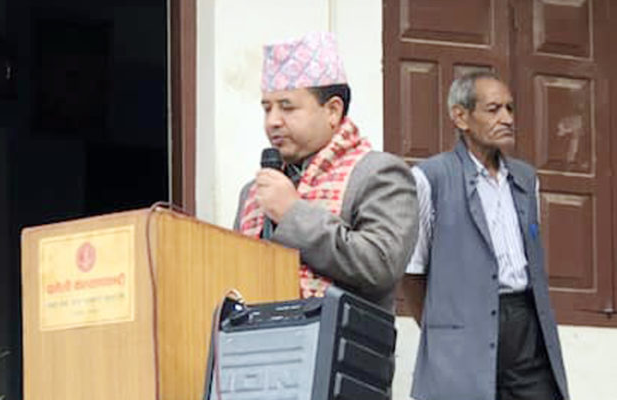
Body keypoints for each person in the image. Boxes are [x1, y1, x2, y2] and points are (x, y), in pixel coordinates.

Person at [402, 71, 569, 400]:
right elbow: (412, 272)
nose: (507, 119)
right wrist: (445, 334)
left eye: (509, 108)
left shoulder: (526, 179)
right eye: (493, 109)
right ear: (460, 117)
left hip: (525, 328)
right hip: (464, 329)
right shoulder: (429, 178)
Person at [233, 32, 418, 313]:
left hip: (337, 339)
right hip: (260, 338)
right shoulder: (255, 192)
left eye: (287, 107)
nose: (272, 122)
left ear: (332, 111)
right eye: (267, 109)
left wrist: (292, 213)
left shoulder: (378, 174)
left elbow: (380, 265)